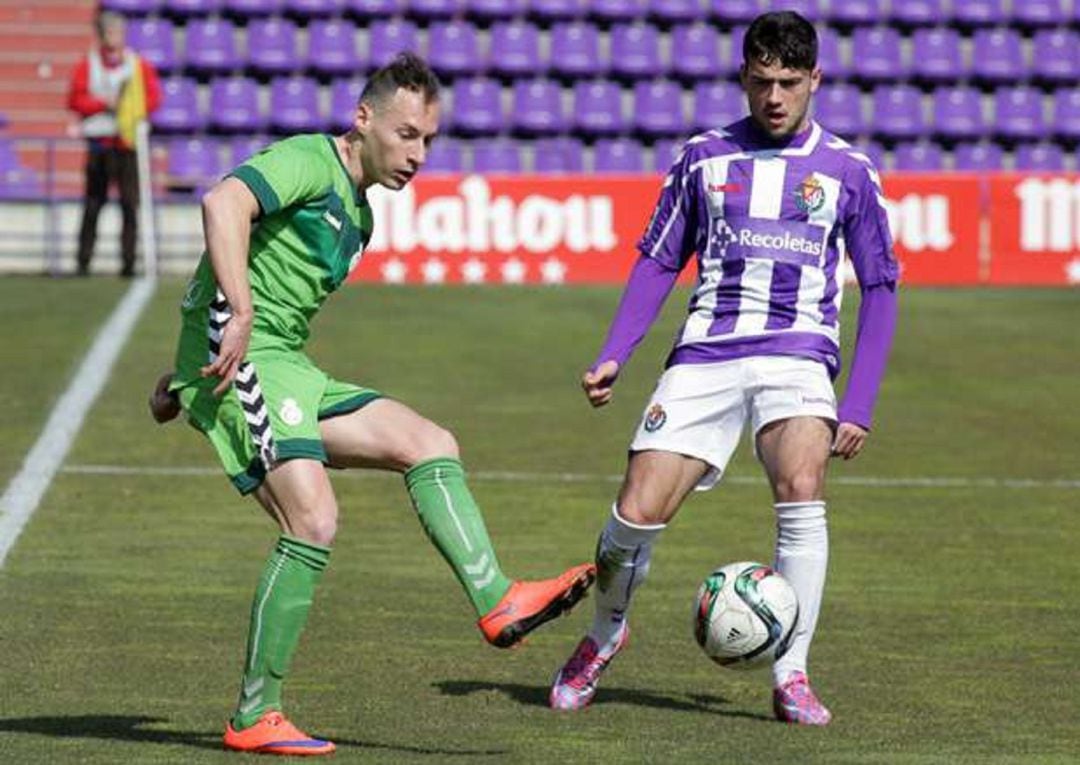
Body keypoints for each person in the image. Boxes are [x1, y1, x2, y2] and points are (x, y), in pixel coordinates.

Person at [149, 53, 595, 756]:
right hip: (253, 362)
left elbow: (257, 273)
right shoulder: (306, 160)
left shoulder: (359, 217)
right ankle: (255, 713)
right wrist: (226, 324)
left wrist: (180, 370)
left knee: (431, 441)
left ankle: (497, 599)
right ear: (364, 118)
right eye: (407, 133)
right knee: (314, 518)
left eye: (428, 140)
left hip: (284, 367)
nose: (417, 154)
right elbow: (223, 202)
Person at [548, 11, 898, 726]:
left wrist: (857, 400)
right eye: (762, 81)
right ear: (743, 76)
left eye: (790, 84)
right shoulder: (704, 158)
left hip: (798, 350)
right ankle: (604, 633)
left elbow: (882, 285)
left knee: (803, 484)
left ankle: (791, 671)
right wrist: (617, 349)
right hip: (707, 351)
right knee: (635, 510)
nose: (774, 97)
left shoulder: (849, 172)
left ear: (815, 81)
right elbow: (658, 257)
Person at [67, 10, 161, 277]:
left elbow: (153, 98)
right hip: (99, 145)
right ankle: (83, 262)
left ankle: (129, 263)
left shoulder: (138, 65)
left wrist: (130, 112)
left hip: (128, 146)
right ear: (101, 35)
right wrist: (102, 104)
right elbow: (75, 100)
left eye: (118, 33)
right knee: (93, 203)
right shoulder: (88, 64)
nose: (114, 38)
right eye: (109, 33)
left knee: (130, 205)